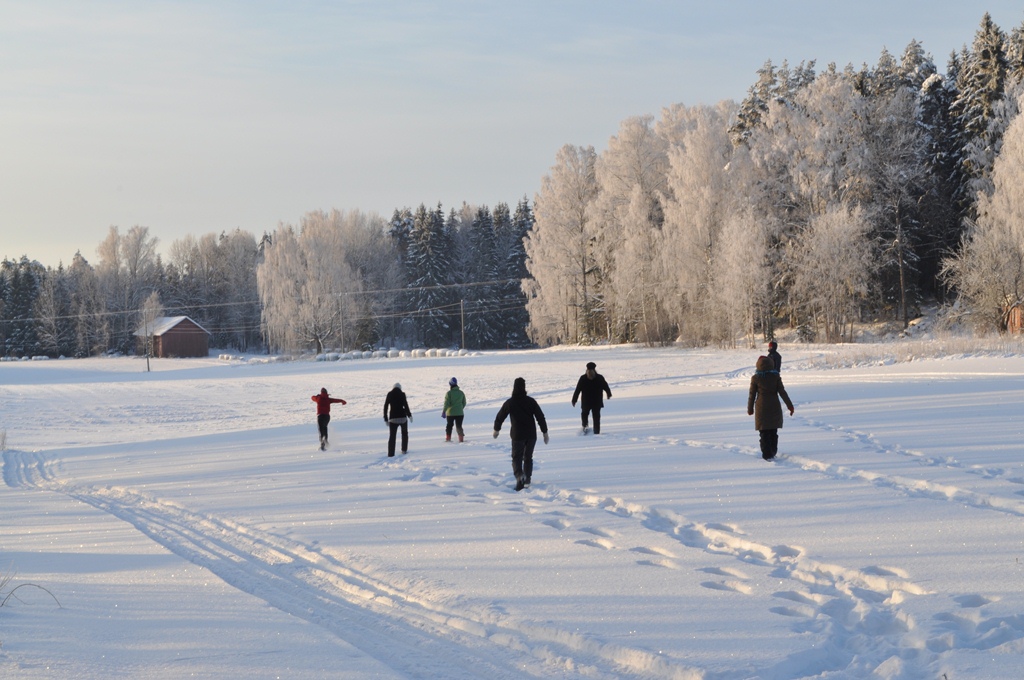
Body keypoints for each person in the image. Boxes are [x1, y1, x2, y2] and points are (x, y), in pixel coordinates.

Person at [493, 377, 549, 491]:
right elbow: (540, 416)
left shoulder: (510, 402)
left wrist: (496, 429)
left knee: (516, 457)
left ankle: (519, 476)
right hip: (531, 435)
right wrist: (545, 432)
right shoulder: (531, 401)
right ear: (524, 387)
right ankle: (527, 478)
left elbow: (500, 416)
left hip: (518, 435)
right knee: (528, 457)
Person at [747, 355, 794, 461]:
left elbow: (752, 395)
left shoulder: (755, 378)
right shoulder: (776, 377)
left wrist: (750, 409)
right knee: (773, 431)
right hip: (774, 407)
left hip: (761, 408)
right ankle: (772, 451)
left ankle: (766, 454)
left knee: (764, 432)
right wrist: (790, 406)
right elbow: (782, 392)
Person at [571, 361, 612, 434]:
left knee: (584, 415)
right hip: (596, 401)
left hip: (586, 402)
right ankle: (596, 432)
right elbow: (606, 387)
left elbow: (578, 390)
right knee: (596, 417)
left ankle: (585, 429)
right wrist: (608, 394)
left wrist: (574, 400)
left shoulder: (583, 378)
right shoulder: (599, 377)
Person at [383, 383, 413, 457]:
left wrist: (386, 418)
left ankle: (391, 453)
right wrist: (409, 415)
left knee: (392, 436)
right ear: (400, 388)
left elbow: (385, 406)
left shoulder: (389, 394)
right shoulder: (402, 394)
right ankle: (404, 449)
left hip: (393, 418)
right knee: (404, 433)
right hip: (402, 418)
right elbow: (406, 405)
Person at [442, 377, 467, 442]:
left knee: (449, 426)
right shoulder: (461, 393)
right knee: (459, 426)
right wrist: (460, 408)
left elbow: (447, 403)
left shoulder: (449, 393)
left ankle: (448, 439)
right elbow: (464, 403)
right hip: (460, 413)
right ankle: (461, 439)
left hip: (450, 413)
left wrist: (444, 411)